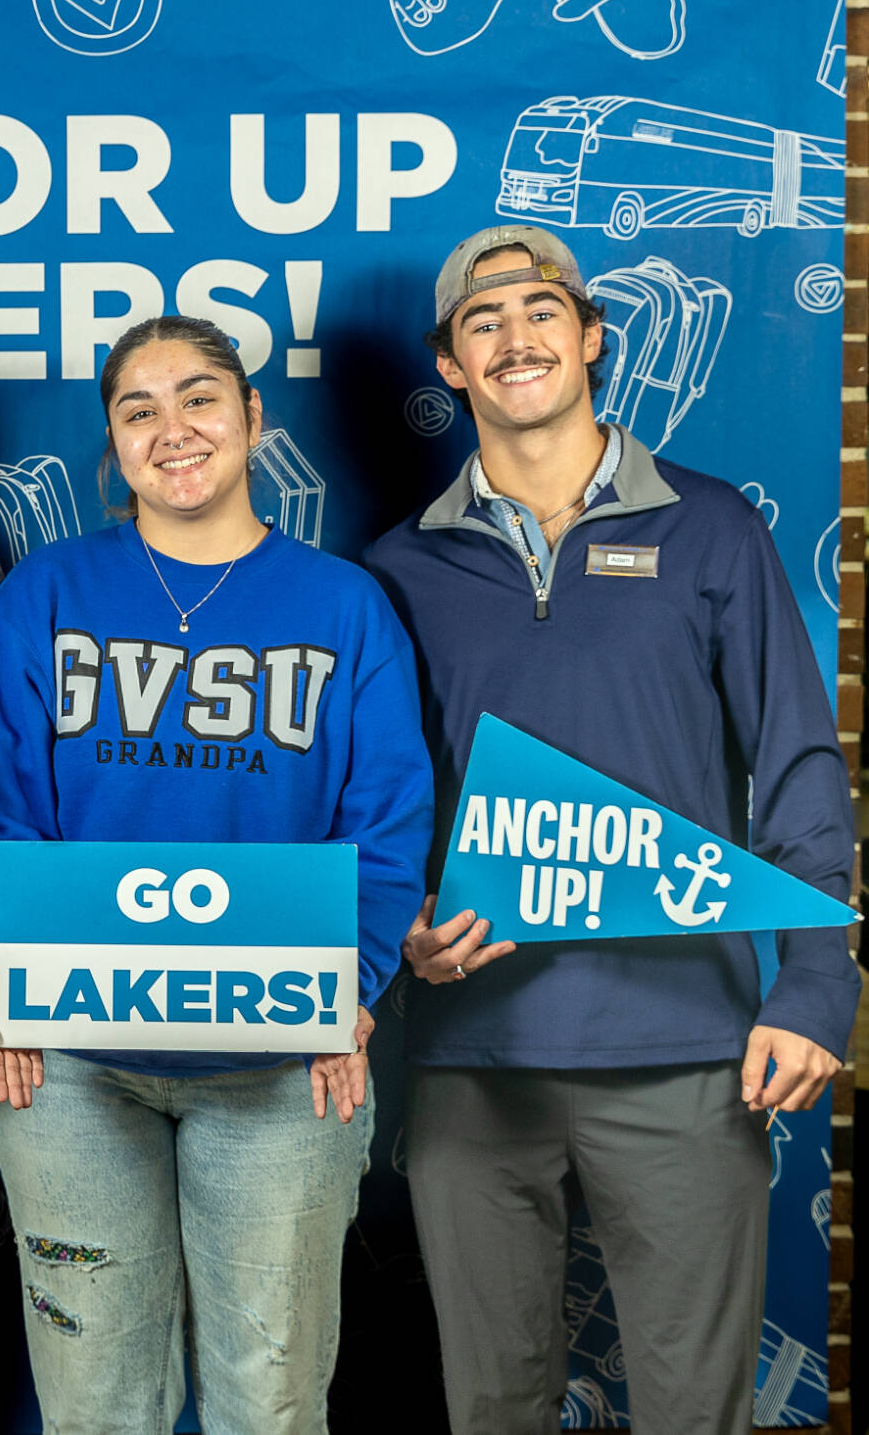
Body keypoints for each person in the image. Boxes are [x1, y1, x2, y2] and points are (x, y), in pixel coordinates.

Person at [362, 225, 860, 1435]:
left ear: (589, 336)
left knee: (696, 1414)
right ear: (449, 366)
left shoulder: (712, 530)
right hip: (469, 1060)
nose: (513, 337)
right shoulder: (393, 568)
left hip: (686, 1048)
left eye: (540, 311)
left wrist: (811, 987)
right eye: (480, 322)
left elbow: (794, 760)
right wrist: (401, 932)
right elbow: (373, 806)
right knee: (492, 1410)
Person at [0, 314, 435, 1434]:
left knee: (267, 1402)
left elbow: (385, 820)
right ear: (112, 445)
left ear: (253, 419)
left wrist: (348, 993)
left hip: (279, 1060)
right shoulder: (45, 594)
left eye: (199, 398)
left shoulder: (342, 605)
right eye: (138, 410)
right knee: (91, 1403)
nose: (172, 429)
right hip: (68, 1064)